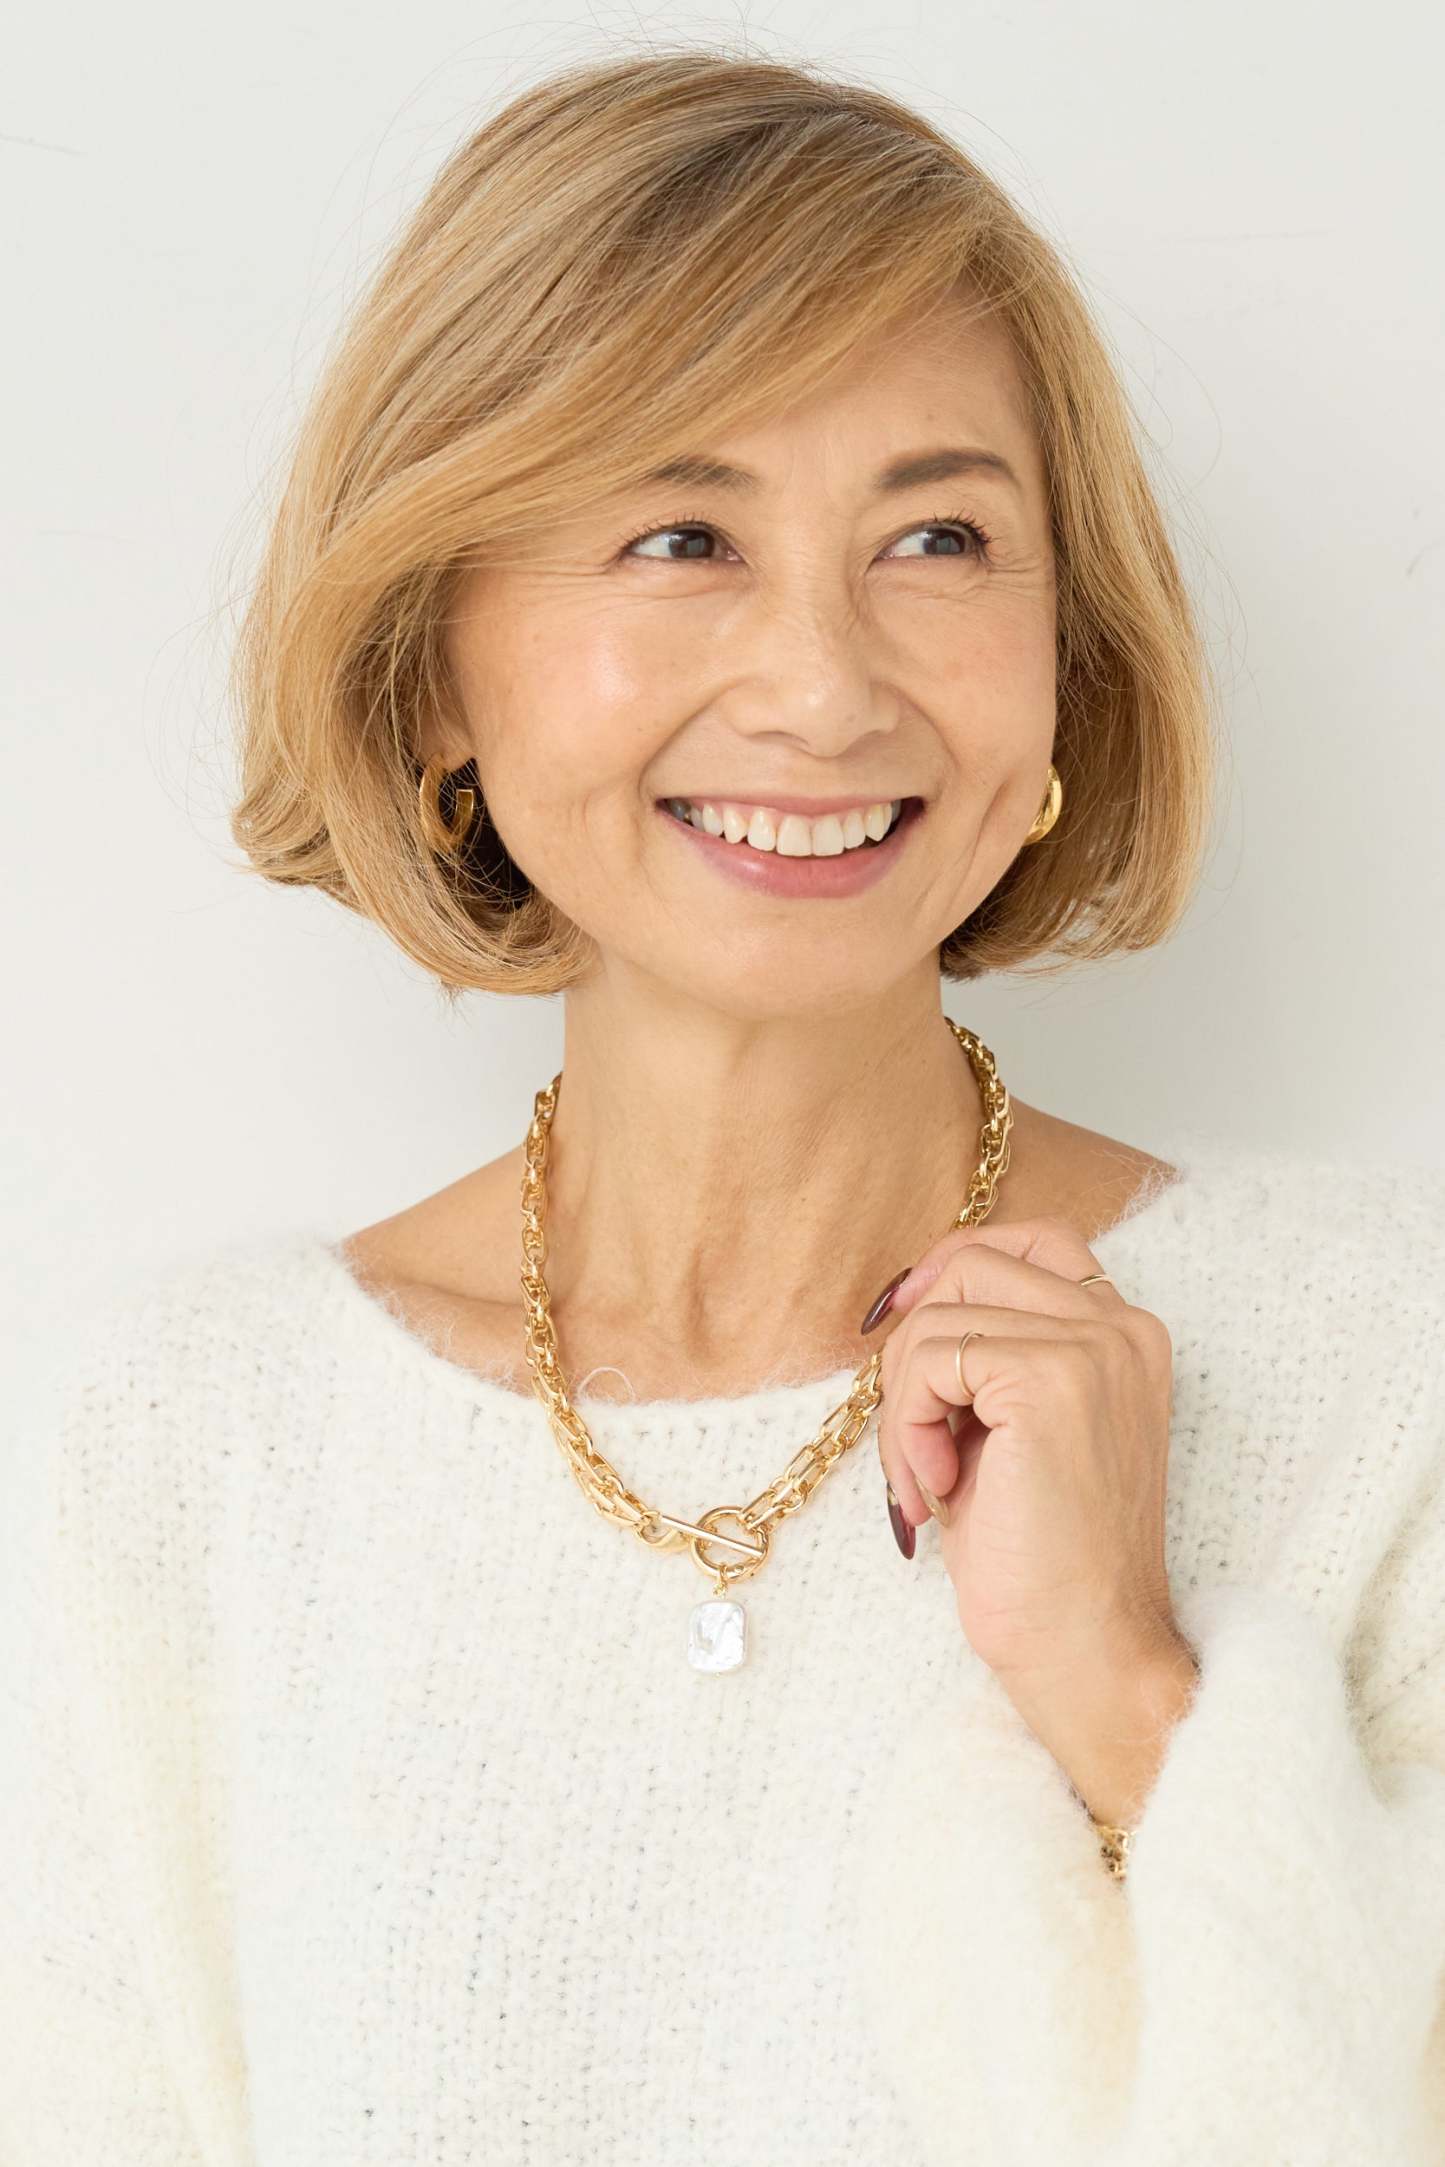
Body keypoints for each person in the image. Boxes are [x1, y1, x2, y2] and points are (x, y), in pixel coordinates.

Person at [4, 46, 1443, 2167]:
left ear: (1066, 661)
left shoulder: (1383, 1365)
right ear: (434, 672)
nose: (826, 687)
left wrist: (1137, 1695)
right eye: (681, 535)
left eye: (938, 537)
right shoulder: (182, 1448)